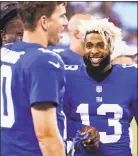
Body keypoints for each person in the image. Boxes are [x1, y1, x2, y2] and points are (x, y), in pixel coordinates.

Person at [1, 2, 68, 156]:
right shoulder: (44, 61)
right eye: (61, 16)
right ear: (44, 21)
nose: (65, 22)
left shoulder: (5, 52)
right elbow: (46, 136)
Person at [63, 18, 137, 156]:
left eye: (100, 45)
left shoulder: (131, 76)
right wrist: (80, 131)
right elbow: (56, 122)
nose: (94, 51)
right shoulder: (68, 76)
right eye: (89, 45)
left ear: (111, 47)